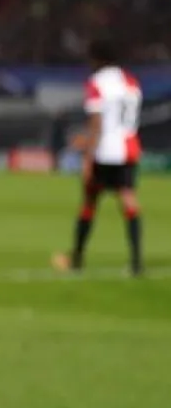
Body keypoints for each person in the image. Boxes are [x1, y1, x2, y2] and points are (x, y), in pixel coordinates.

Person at [53, 40, 144, 276]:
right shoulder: (131, 82)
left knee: (89, 201)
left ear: (96, 59)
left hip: (105, 151)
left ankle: (78, 258)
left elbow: (97, 123)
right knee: (128, 200)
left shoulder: (97, 83)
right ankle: (136, 262)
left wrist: (87, 157)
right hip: (129, 147)